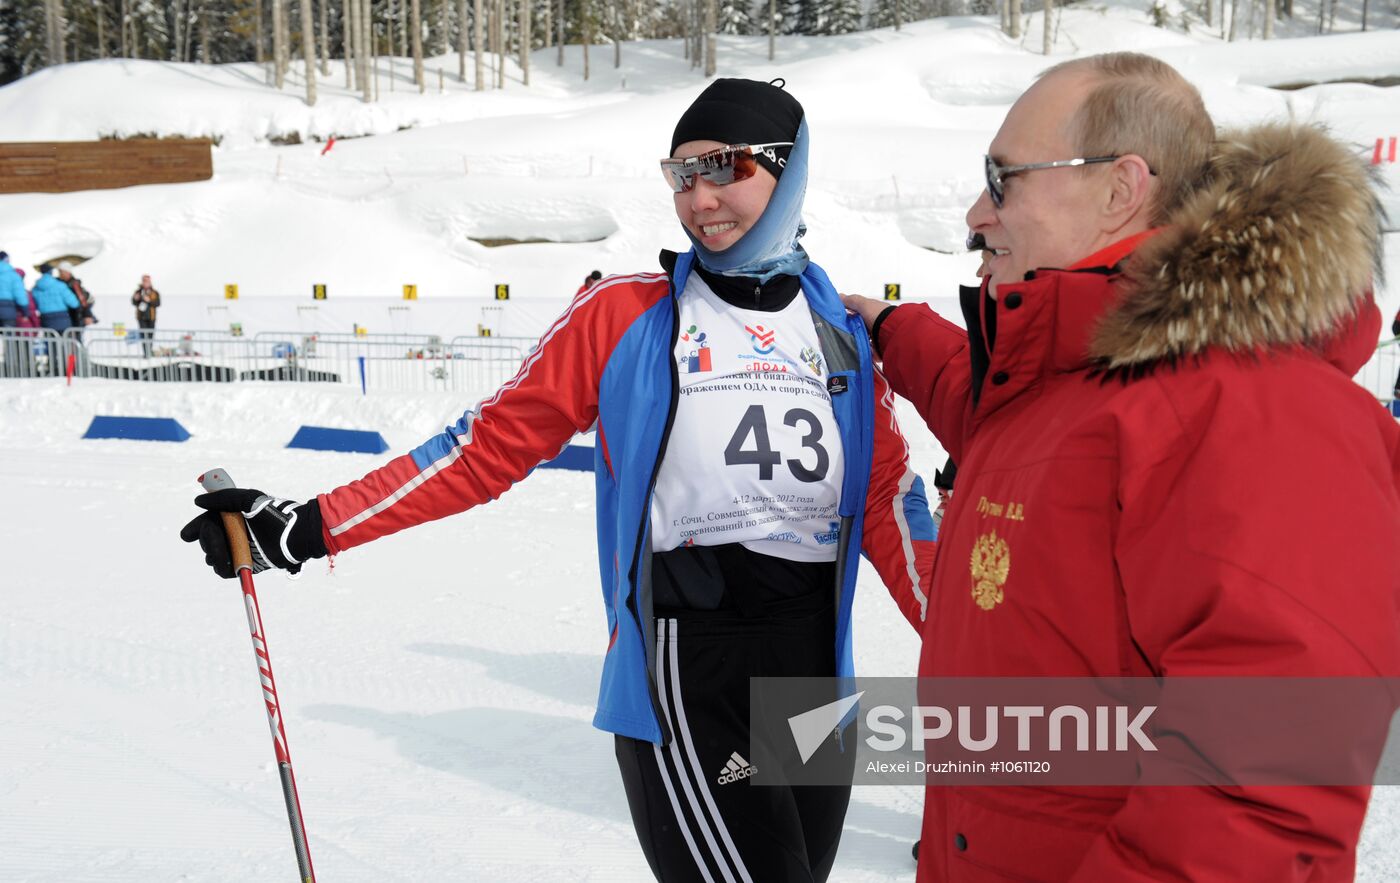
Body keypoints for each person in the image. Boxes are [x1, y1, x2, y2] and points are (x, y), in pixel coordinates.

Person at [182, 78, 936, 882]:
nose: (701, 198)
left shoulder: (843, 332)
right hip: (690, 666)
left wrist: (993, 643)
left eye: (725, 167)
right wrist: (307, 526)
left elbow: (892, 506)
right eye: (681, 175)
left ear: (789, 170)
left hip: (815, 674)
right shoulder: (624, 315)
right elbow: (481, 450)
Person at [843, 52, 1399, 882]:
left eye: (1003, 180)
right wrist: (892, 327)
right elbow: (1006, 422)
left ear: (1120, 187)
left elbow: (1263, 790)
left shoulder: (1256, 410)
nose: (976, 212)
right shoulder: (1076, 384)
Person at [30, 263, 79, 334]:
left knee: (51, 343)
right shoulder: (60, 285)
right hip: (62, 319)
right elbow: (74, 303)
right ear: (51, 272)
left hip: (46, 319)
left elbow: (34, 304)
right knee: (65, 343)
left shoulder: (36, 288)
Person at [57, 261, 96, 342]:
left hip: (77, 316)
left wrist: (87, 315)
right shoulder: (58, 282)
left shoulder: (74, 284)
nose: (59, 274)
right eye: (59, 271)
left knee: (75, 341)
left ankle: (78, 354)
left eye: (61, 272)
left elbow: (82, 299)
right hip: (68, 317)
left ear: (68, 272)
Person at [131, 274, 160, 357]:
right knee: (143, 335)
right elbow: (134, 302)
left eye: (147, 281)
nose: (146, 283)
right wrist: (135, 299)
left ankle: (149, 352)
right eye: (144, 281)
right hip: (141, 317)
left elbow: (157, 303)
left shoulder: (154, 292)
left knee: (150, 335)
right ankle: (145, 353)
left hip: (151, 317)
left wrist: (149, 300)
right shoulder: (138, 292)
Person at [0, 251, 25, 328]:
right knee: (9, 336)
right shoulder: (13, 275)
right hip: (8, 311)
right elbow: (20, 295)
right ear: (6, 259)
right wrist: (25, 311)